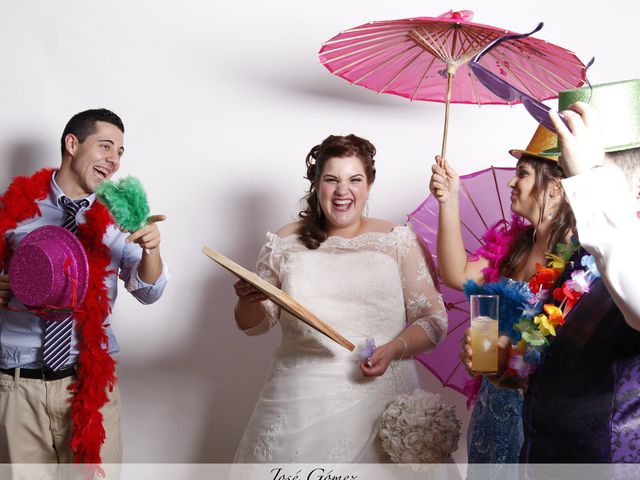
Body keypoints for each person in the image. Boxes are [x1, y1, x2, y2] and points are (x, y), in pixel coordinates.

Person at [232, 134, 448, 462]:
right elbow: (252, 326)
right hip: (298, 402)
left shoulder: (397, 240)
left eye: (354, 179)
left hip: (381, 396)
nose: (342, 191)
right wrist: (248, 299)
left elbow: (433, 320)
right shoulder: (283, 242)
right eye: (331, 179)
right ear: (316, 184)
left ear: (370, 184)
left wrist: (392, 349)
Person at [0, 108, 169, 465]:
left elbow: (149, 291)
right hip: (17, 387)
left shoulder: (120, 216)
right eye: (106, 147)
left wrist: (151, 248)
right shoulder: (15, 208)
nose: (114, 160)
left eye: (120, 152)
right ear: (72, 144)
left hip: (89, 385)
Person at [429, 124, 576, 468]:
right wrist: (450, 200)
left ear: (554, 188)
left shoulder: (579, 259)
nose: (512, 182)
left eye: (522, 174)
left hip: (537, 417)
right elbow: (455, 275)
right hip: (491, 411)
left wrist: (510, 356)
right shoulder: (514, 246)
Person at [515, 79, 640, 463]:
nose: (573, 195)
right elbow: (554, 359)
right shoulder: (572, 253)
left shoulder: (618, 242)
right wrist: (511, 367)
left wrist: (589, 177)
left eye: (579, 178)